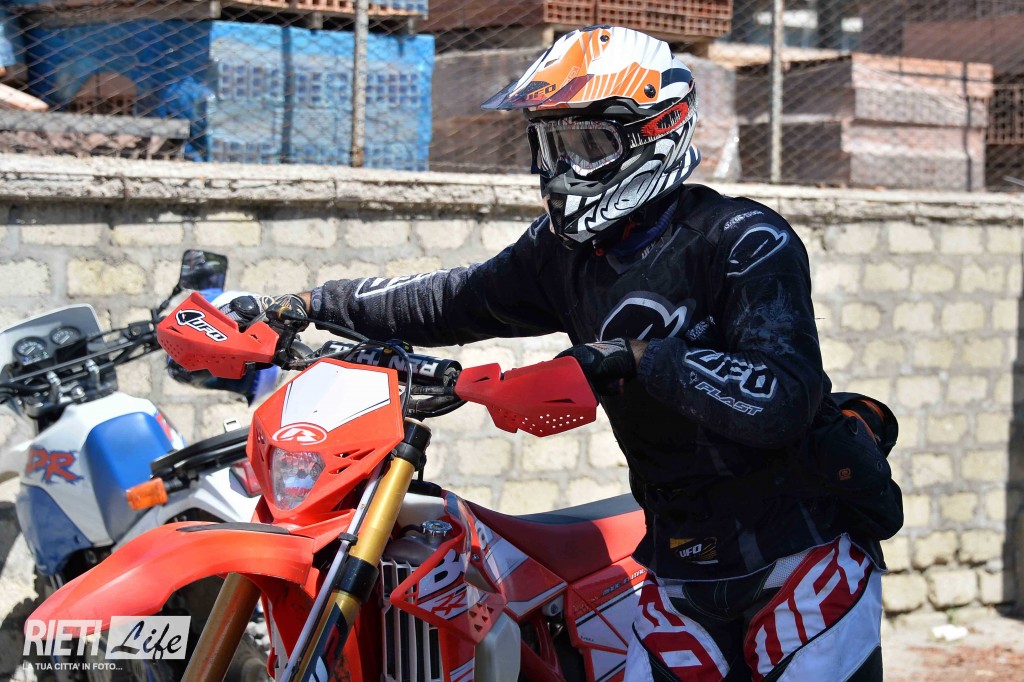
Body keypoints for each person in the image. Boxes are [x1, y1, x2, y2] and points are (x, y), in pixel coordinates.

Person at [230, 26, 901, 681]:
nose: (563, 169)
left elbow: (784, 396)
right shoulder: (564, 255)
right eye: (552, 144)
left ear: (658, 128)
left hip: (803, 555)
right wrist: (309, 303)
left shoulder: (744, 238)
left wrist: (633, 357)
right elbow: (450, 299)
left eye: (587, 143)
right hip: (678, 568)